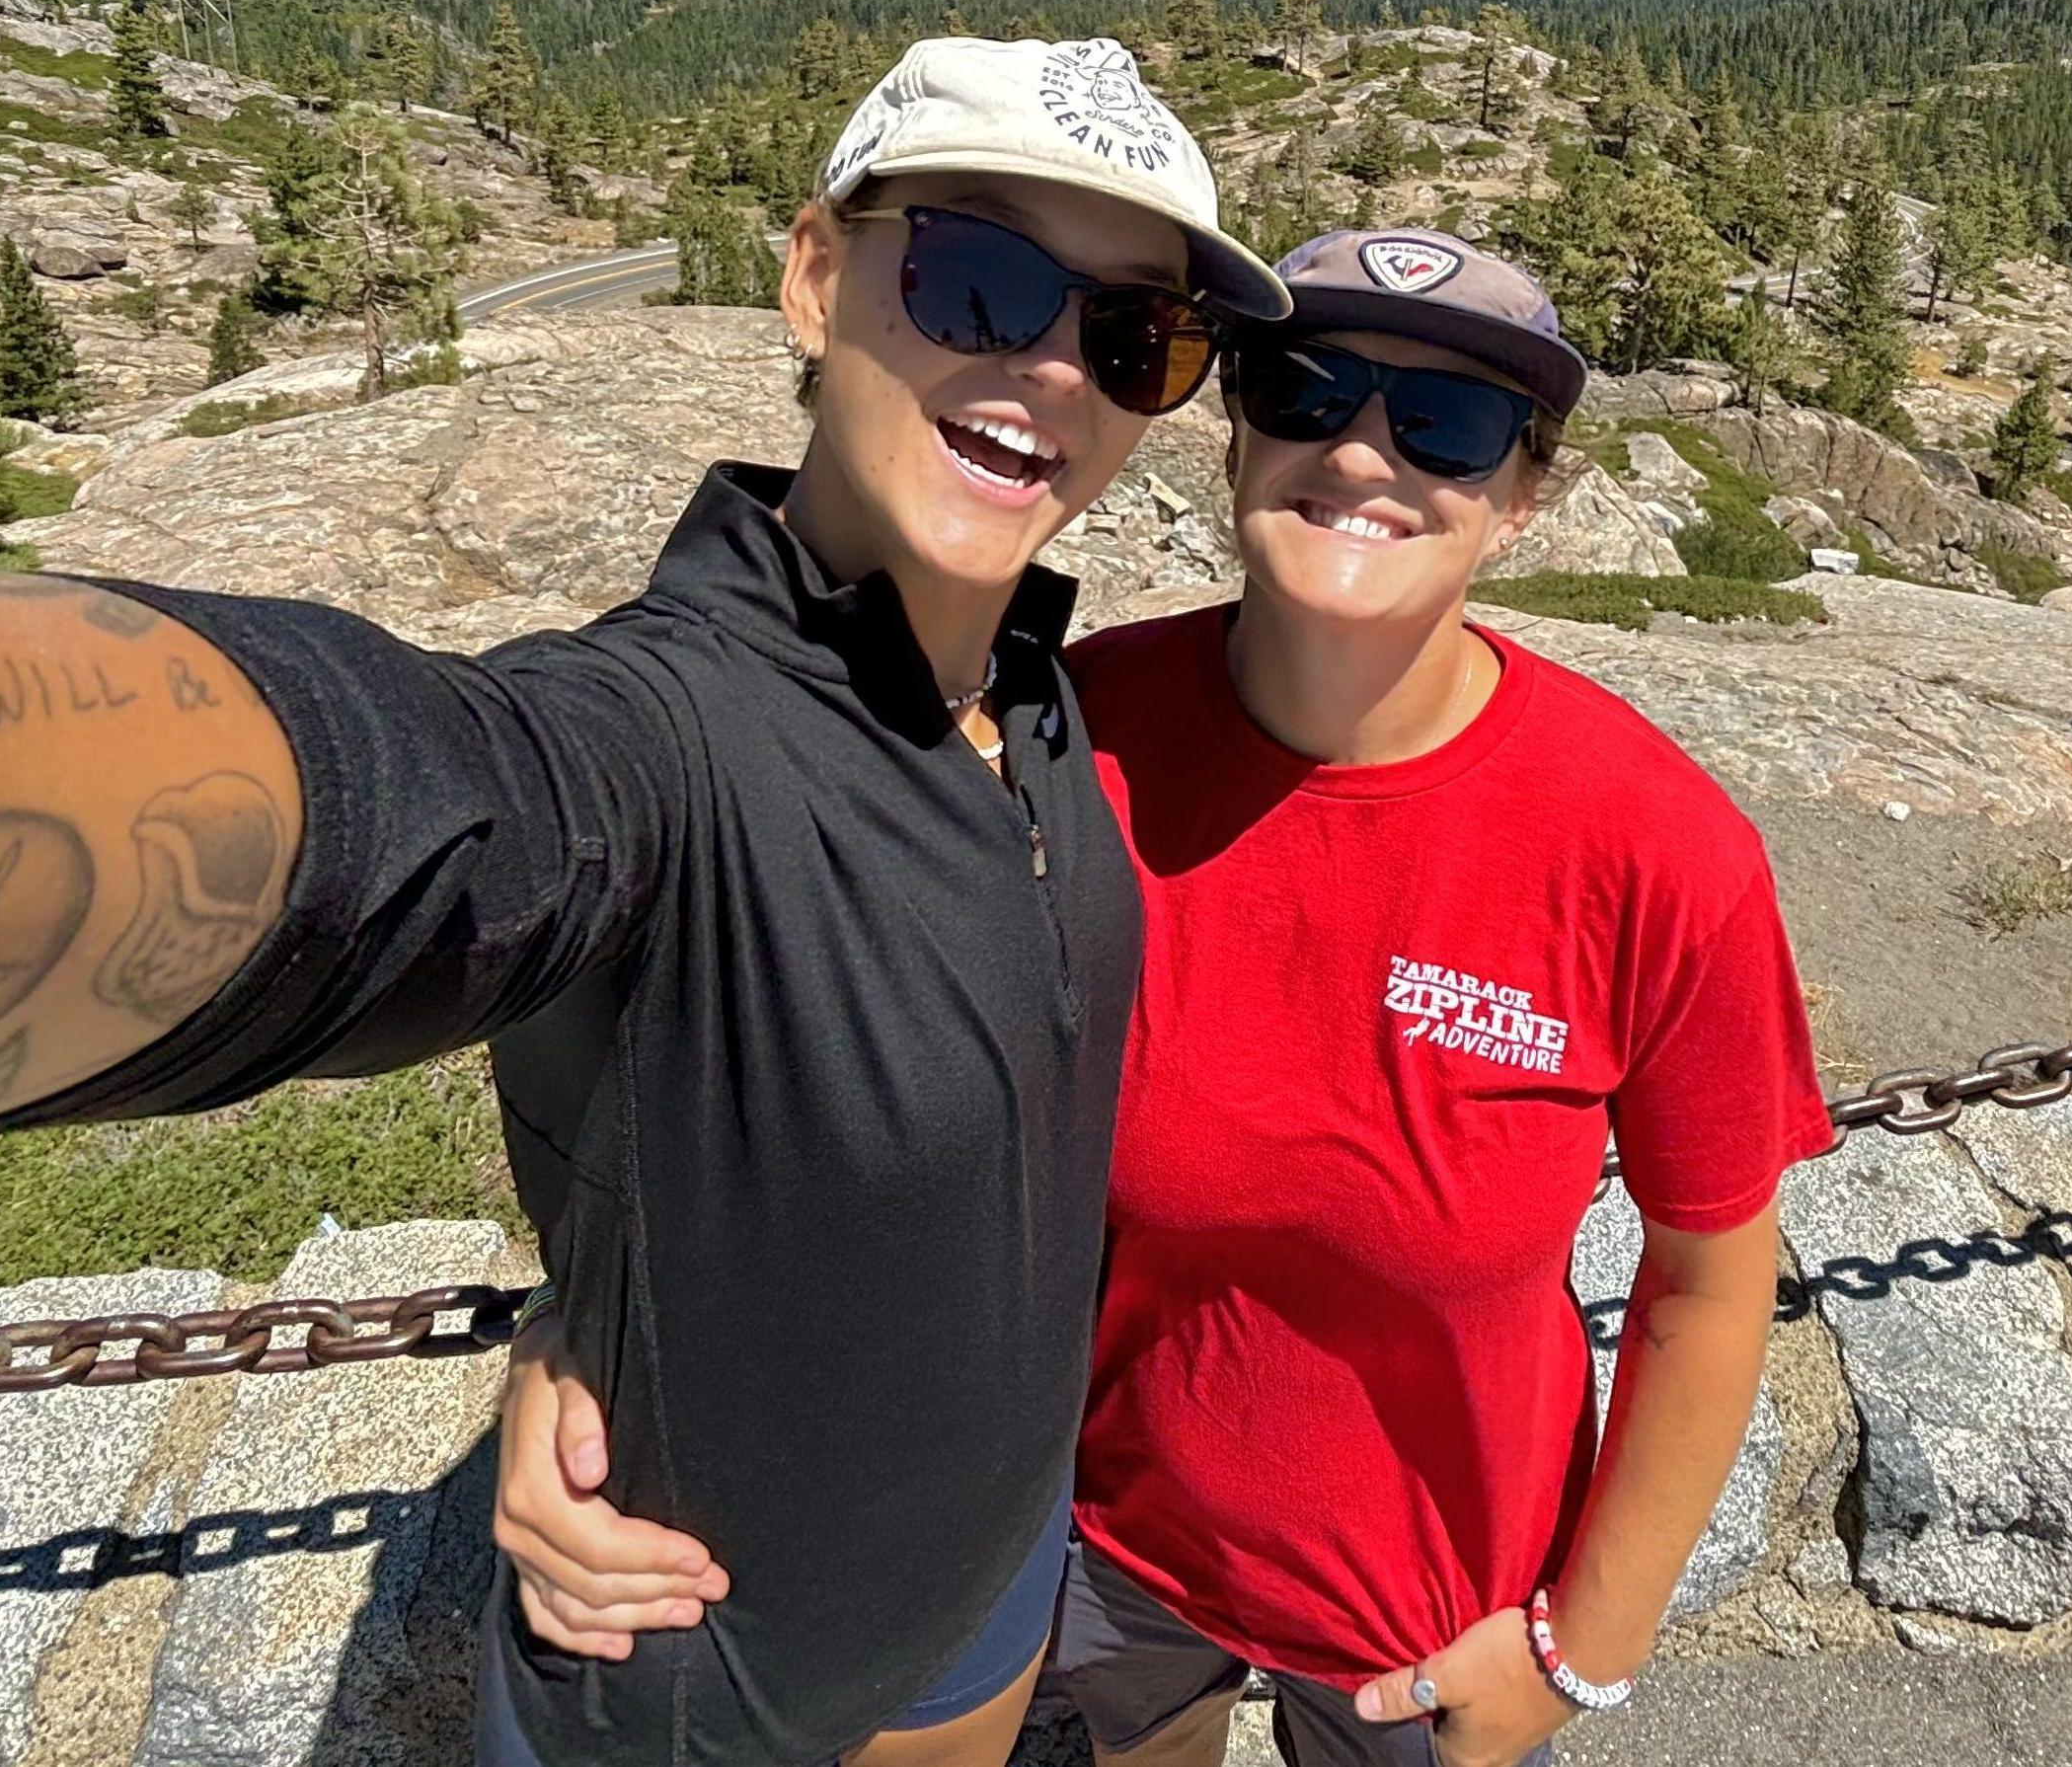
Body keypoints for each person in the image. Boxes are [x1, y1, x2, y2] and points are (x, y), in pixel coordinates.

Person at [0, 34, 1287, 1767]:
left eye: (1137, 336)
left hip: (975, 1610)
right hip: (714, 1680)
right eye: (980, 277)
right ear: (817, 275)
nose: (1053, 368)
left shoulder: (1044, 704)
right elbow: (416, 803)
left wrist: (583, 1305)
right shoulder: (657, 743)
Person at [495, 227, 1835, 1767]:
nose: (1361, 452)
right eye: (1306, 388)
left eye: (1446, 423)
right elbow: (821, 1097)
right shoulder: (1066, 744)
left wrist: (1578, 1650)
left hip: (1441, 1611)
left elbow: (1707, 1284)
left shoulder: (1652, 846)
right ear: (1235, 427)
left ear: (1524, 494)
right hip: (1102, 1558)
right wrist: (582, 1333)